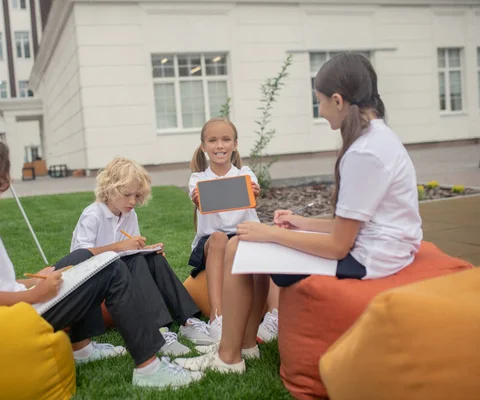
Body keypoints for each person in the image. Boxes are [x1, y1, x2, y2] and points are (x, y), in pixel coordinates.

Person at [175, 52, 423, 373]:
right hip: (381, 248)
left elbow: (339, 246)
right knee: (244, 246)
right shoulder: (377, 138)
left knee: (241, 246)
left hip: (371, 260)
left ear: (338, 100)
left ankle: (229, 357)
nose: (320, 112)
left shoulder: (364, 152)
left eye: (319, 102)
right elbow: (360, 224)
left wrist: (272, 232)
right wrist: (301, 223)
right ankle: (245, 346)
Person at [0, 132, 203, 388]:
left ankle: (82, 348)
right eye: (2, 174)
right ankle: (149, 368)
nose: (6, 183)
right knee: (112, 269)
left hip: (17, 302)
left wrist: (28, 282)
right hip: (22, 312)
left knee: (83, 257)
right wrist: (35, 293)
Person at [70, 156, 214, 355]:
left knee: (153, 259)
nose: (132, 201)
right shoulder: (93, 214)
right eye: (127, 194)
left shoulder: (129, 214)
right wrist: (122, 247)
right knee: (137, 260)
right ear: (110, 189)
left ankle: (189, 321)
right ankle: (159, 331)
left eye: (137, 196)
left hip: (120, 272)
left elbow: (130, 252)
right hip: (94, 281)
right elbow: (80, 257)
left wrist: (146, 250)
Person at [187, 117, 261, 341]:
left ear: (235, 144)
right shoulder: (198, 178)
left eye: (226, 139)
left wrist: (252, 192)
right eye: (213, 140)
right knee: (219, 237)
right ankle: (217, 319)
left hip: (243, 236)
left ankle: (272, 316)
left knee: (268, 237)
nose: (220, 145)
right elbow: (202, 201)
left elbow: (251, 195)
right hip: (212, 243)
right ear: (204, 147)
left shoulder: (245, 174)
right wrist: (200, 199)